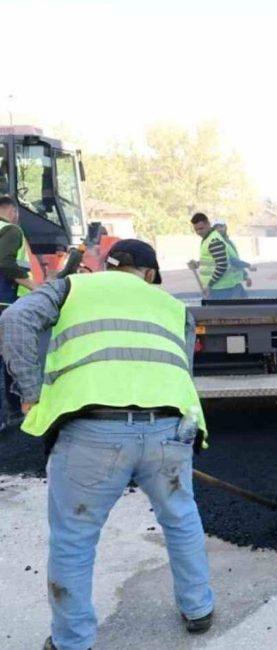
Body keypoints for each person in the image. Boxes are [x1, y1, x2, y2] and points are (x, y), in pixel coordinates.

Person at [0, 239, 215, 650]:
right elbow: (180, 368)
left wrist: (28, 393)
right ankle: (199, 609)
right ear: (150, 274)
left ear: (106, 265)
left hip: (92, 433)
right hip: (170, 428)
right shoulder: (173, 307)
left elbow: (15, 321)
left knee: (74, 537)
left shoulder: (72, 288)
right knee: (181, 518)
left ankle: (72, 641)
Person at [0, 195, 38, 432]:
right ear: (12, 211)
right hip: (4, 302)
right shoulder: (11, 229)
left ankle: (12, 411)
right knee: (11, 357)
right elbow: (5, 263)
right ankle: (14, 411)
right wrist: (33, 286)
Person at [190, 212, 246, 299]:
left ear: (208, 224)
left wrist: (209, 285)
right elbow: (213, 260)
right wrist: (198, 263)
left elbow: (222, 265)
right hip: (218, 288)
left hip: (221, 289)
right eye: (196, 230)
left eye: (201, 228)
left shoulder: (214, 240)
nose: (199, 232)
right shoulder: (208, 238)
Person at [212, 219, 256, 288]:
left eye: (221, 226)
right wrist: (248, 265)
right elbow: (230, 260)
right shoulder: (216, 243)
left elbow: (236, 261)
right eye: (216, 228)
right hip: (223, 286)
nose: (219, 229)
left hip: (233, 283)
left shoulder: (228, 242)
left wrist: (245, 276)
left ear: (225, 227)